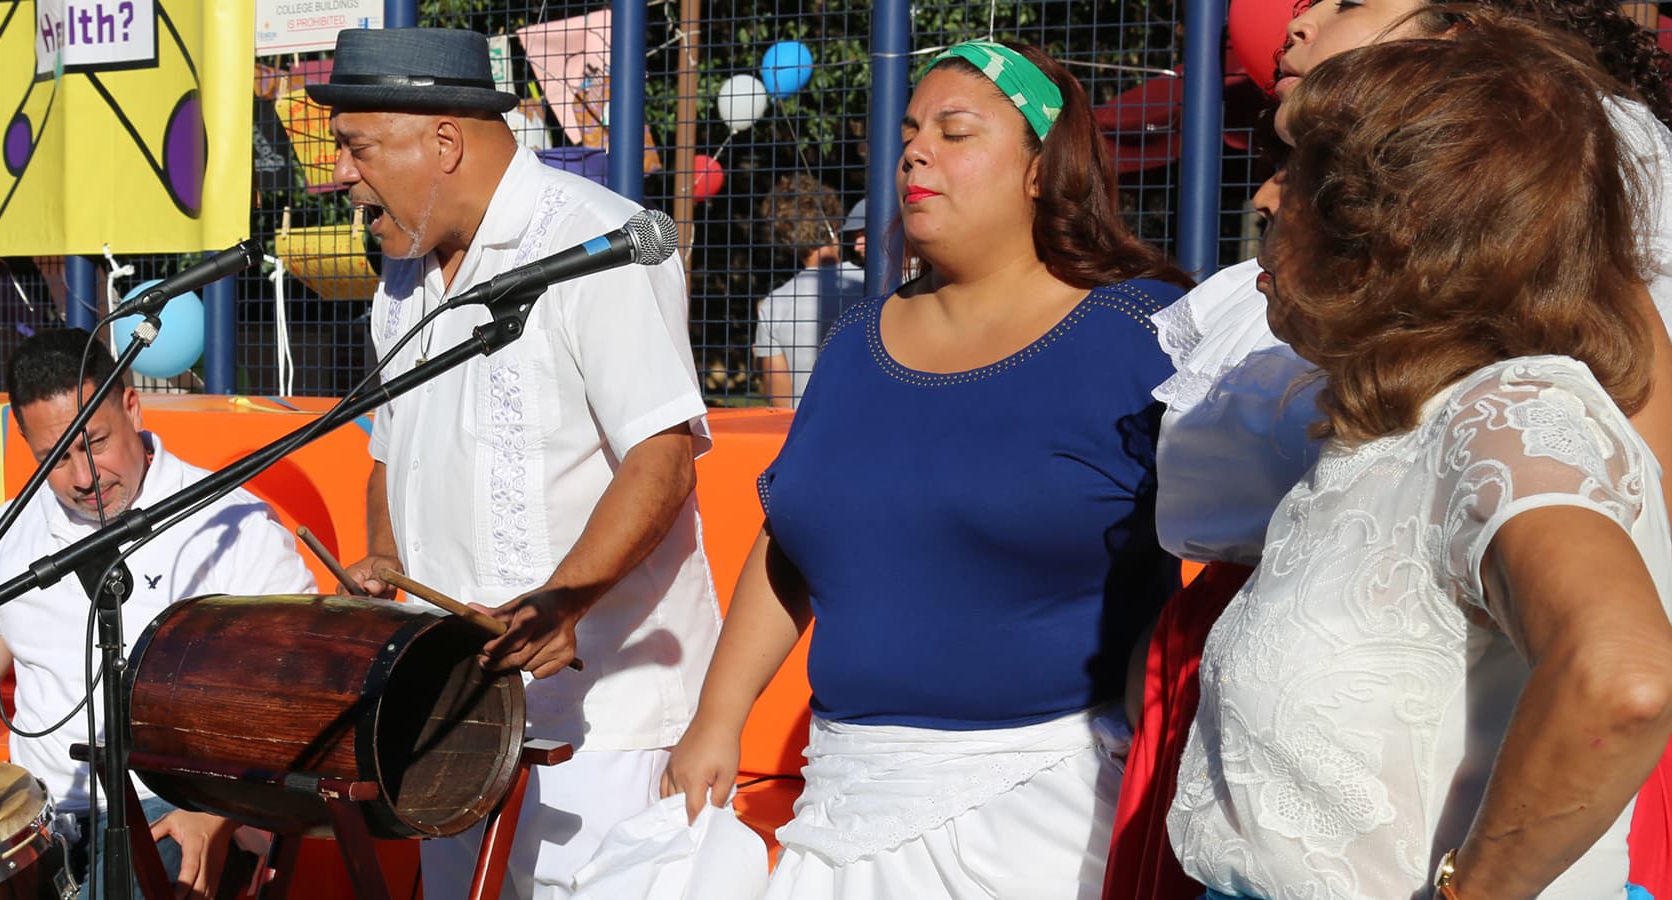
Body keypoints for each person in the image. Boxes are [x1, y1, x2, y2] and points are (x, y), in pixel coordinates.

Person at [1109, 4, 1672, 896]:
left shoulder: (1508, 418)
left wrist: (1470, 889)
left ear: (1396, 226)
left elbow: (1623, 677)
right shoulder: (1387, 433)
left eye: (1303, 173)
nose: (1264, 196)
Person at [663, 40, 1192, 899]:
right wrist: (715, 722)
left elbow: (1258, 539)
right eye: (911, 131)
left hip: (1053, 813)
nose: (915, 151)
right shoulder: (852, 345)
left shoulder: (1148, 329)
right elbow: (790, 541)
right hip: (841, 810)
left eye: (955, 132)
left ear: (1040, 168)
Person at [312, 26, 723, 900]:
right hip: (453, 717)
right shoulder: (401, 275)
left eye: (356, 146)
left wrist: (565, 599)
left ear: (445, 141)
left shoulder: (595, 244)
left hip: (603, 722)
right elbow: (392, 450)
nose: (339, 174)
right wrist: (386, 556)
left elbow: (661, 458)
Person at [0, 327, 316, 898]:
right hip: (31, 813)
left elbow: (295, 696)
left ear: (134, 407)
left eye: (95, 442)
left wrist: (218, 814)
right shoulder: (11, 527)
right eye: (55, 458)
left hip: (181, 802)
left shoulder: (231, 524)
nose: (84, 477)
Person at [754, 179, 867, 409]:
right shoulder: (872, 286)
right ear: (834, 223)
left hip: (806, 434)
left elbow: (780, 402)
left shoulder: (773, 304)